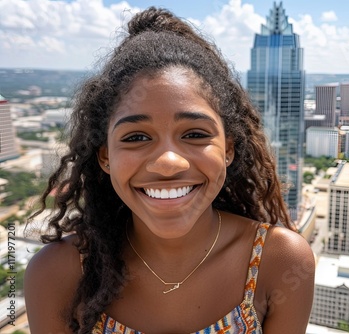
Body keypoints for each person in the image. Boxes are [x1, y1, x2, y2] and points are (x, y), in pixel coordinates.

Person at [24, 6, 315, 334]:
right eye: (136, 137)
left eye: (194, 134)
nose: (168, 163)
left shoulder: (277, 262)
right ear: (105, 157)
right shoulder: (57, 273)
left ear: (229, 149)